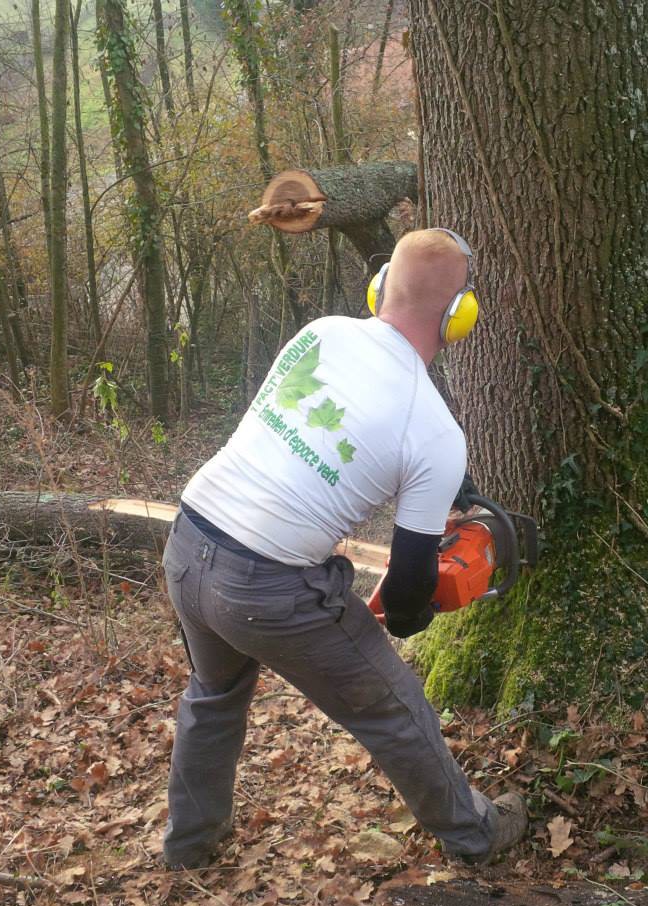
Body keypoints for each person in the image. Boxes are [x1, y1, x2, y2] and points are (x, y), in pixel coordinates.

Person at [160, 228, 528, 869]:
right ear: (458, 317)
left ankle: (189, 847)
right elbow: (413, 580)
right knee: (395, 710)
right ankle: (473, 833)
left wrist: (447, 481)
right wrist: (410, 616)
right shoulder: (434, 430)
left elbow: (329, 428)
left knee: (213, 696)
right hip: (268, 591)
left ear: (382, 284)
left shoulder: (321, 333)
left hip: (189, 544)